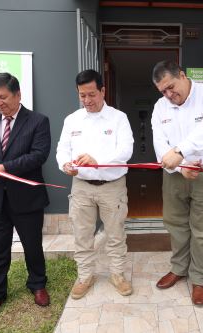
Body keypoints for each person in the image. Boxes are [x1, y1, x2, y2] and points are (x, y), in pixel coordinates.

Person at [0, 73, 51, 323]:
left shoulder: (38, 121)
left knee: (32, 246)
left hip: (27, 199)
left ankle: (37, 284)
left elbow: (38, 156)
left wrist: (2, 169)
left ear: (17, 95)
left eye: (2, 97)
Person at [150, 60, 203, 306]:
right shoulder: (160, 107)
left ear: (182, 76)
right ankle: (179, 268)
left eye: (171, 87)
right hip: (175, 175)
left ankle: (200, 279)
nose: (169, 94)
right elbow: (159, 142)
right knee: (175, 224)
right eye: (163, 91)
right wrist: (180, 164)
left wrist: (182, 152)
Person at [56, 69, 134, 299]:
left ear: (102, 90)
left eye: (92, 94)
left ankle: (117, 274)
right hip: (81, 187)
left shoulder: (118, 118)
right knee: (82, 234)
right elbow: (62, 149)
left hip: (112, 186)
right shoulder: (72, 120)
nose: (87, 100)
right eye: (82, 96)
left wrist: (99, 162)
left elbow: (125, 150)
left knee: (115, 234)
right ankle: (85, 276)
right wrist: (64, 165)